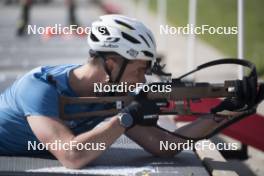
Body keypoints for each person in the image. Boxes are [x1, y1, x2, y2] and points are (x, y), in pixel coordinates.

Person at [0, 15, 245, 169]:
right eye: (139, 70)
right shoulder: (39, 87)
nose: (142, 79)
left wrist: (220, 115)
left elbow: (162, 145)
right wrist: (125, 117)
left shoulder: (115, 90)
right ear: (112, 63)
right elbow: (72, 156)